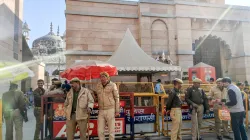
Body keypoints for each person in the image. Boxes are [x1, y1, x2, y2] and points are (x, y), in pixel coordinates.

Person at [95, 72, 120, 140]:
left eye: (104, 77)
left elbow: (117, 98)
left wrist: (117, 111)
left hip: (110, 109)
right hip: (101, 110)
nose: (102, 79)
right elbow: (97, 96)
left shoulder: (112, 85)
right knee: (100, 131)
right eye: (101, 77)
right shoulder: (98, 85)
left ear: (107, 78)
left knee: (111, 131)